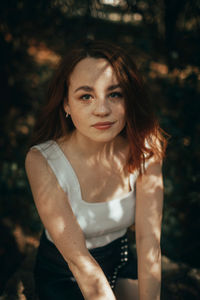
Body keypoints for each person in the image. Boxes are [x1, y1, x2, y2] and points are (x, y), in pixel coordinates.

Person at [25, 39, 167, 300]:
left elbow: (149, 241)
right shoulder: (42, 160)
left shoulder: (145, 147)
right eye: (86, 96)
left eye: (114, 94)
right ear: (66, 104)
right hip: (65, 271)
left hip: (121, 261)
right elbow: (80, 261)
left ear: (129, 99)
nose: (102, 110)